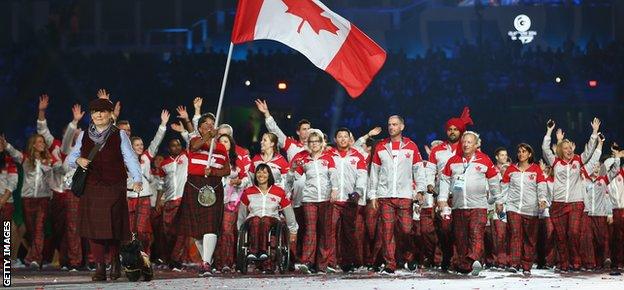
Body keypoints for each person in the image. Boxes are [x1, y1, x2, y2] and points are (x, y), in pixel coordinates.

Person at [67, 96, 143, 281]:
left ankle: (115, 262)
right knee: (94, 228)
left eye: (103, 111)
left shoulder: (120, 134)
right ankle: (100, 268)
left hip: (115, 185)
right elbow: (69, 159)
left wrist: (137, 178)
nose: (98, 114)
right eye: (95, 112)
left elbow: (130, 158)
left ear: (110, 115)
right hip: (92, 187)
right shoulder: (84, 135)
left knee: (114, 226)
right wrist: (78, 160)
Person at [541, 118, 600, 272]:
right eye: (565, 148)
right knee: (560, 236)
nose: (568, 150)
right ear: (561, 150)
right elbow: (545, 148)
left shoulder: (578, 161)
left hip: (576, 202)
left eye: (570, 148)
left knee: (573, 233)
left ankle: (576, 260)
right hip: (558, 203)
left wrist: (594, 133)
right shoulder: (555, 162)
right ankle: (564, 263)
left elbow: (590, 152)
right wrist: (549, 131)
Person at [175, 113, 230, 276]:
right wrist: (207, 136)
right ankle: (208, 259)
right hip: (194, 185)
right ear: (200, 128)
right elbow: (194, 147)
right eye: (207, 124)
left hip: (213, 186)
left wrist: (213, 170)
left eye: (213, 124)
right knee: (197, 230)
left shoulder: (221, 147)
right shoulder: (193, 141)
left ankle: (205, 263)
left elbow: (227, 169)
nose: (211, 126)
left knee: (210, 225)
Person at [438, 131, 501, 275]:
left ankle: (473, 258)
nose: (466, 144)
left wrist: (498, 199)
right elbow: (445, 180)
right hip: (458, 206)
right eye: (464, 142)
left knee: (476, 233)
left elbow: (494, 182)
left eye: (469, 142)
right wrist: (442, 199)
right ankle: (465, 265)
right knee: (460, 237)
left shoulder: (485, 160)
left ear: (475, 145)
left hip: (479, 206)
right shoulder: (453, 161)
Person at [368, 115, 424, 274]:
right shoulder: (380, 146)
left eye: (395, 124)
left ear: (402, 127)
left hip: (405, 194)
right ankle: (390, 264)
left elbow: (418, 169)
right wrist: (373, 194)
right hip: (385, 195)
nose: (391, 127)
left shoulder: (411, 146)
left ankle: (409, 257)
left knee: (406, 230)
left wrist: (420, 190)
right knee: (387, 231)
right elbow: (374, 172)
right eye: (389, 124)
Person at [427, 107, 473, 271]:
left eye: (455, 129)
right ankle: (446, 255)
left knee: (461, 231)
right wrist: (429, 184)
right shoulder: (437, 150)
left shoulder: (467, 149)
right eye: (450, 129)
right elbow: (430, 169)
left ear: (461, 131)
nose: (452, 132)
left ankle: (457, 260)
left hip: (463, 196)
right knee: (445, 229)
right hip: (444, 196)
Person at [288, 129, 337, 274]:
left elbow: (333, 176)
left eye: (317, 141)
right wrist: (291, 171)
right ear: (308, 144)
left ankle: (321, 264)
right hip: (309, 198)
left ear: (322, 143)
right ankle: (307, 262)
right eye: (312, 142)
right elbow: (293, 177)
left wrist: (334, 190)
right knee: (310, 231)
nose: (314, 144)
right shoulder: (304, 160)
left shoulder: (328, 158)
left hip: (326, 198)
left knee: (325, 231)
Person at [497, 143, 548, 275]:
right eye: (519, 151)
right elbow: (504, 188)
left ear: (530, 154)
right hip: (513, 207)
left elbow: (541, 187)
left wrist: (542, 199)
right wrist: (501, 202)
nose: (521, 154)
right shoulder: (511, 169)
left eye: (524, 151)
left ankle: (526, 265)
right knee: (515, 234)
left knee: (530, 239)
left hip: (531, 208)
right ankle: (514, 263)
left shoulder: (536, 169)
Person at [237, 163, 298, 272]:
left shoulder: (278, 192)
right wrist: (240, 229)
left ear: (269, 175)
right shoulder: (248, 192)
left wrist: (293, 230)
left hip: (272, 219)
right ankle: (254, 252)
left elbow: (288, 212)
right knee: (256, 220)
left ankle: (263, 251)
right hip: (253, 219)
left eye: (264, 172)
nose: (261, 175)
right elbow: (242, 214)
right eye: (259, 172)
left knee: (264, 220)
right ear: (255, 175)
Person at [126, 110, 168, 257]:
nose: (140, 146)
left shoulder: (146, 158)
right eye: (136, 144)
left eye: (141, 144)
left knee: (143, 231)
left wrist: (162, 125)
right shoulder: (124, 160)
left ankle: (144, 254)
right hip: (129, 197)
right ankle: (130, 257)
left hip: (144, 198)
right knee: (130, 231)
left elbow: (155, 142)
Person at [327, 127, 367, 272]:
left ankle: (348, 262)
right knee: (330, 232)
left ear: (350, 139)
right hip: (333, 201)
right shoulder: (329, 155)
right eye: (340, 136)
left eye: (346, 136)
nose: (343, 139)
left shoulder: (358, 156)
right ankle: (331, 262)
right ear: (335, 139)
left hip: (350, 201)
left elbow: (362, 176)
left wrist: (358, 192)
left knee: (349, 233)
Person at [215, 134, 249, 273]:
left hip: (232, 200)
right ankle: (215, 262)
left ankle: (227, 262)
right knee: (216, 232)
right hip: (215, 201)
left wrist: (240, 182)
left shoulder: (237, 160)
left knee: (227, 231)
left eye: (226, 141)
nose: (223, 143)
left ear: (231, 144)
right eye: (221, 141)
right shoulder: (213, 160)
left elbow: (246, 178)